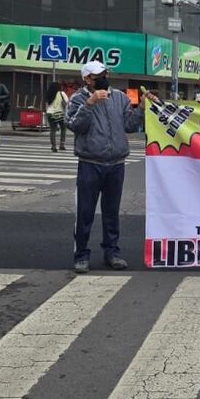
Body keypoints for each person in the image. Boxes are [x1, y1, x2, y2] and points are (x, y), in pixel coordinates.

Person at [66, 60, 144, 274]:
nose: (103, 77)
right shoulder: (78, 98)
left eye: (105, 73)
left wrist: (142, 109)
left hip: (116, 163)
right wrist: (89, 104)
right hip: (90, 163)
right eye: (98, 74)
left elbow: (130, 125)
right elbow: (74, 125)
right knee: (85, 212)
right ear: (87, 79)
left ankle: (112, 252)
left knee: (112, 212)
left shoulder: (119, 97)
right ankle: (81, 255)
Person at [45, 81, 69, 153]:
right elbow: (67, 102)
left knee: (52, 130)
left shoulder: (49, 94)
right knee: (63, 128)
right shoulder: (62, 93)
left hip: (50, 113)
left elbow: (46, 105)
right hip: (59, 113)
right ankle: (62, 145)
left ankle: (53, 146)